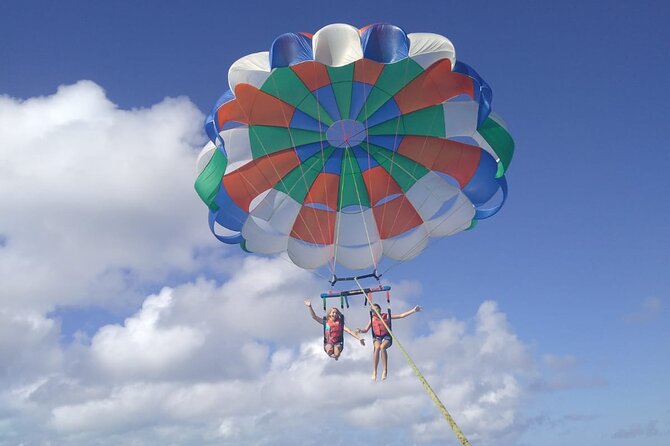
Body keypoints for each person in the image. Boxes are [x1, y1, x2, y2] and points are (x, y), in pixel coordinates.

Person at [357, 303, 422, 380]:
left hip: (386, 336)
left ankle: (385, 369)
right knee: (377, 348)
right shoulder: (372, 319)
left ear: (380, 309)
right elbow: (366, 329)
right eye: (373, 310)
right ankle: (374, 371)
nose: (375, 311)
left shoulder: (386, 316)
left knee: (382, 347)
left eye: (376, 309)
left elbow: (401, 315)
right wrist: (360, 330)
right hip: (377, 337)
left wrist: (413, 310)